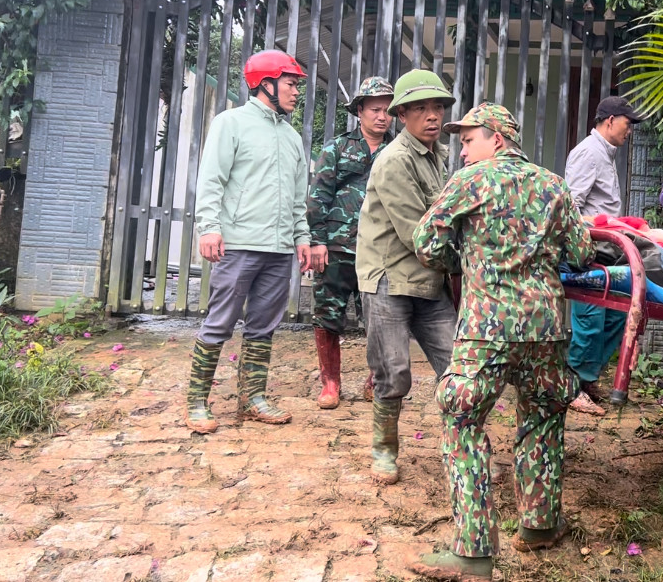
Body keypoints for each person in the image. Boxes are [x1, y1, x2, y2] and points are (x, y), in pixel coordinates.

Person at [408, 102, 594, 582]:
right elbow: (581, 253)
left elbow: (426, 243)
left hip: (486, 329)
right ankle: (539, 526)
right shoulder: (553, 185)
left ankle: (473, 554)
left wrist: (466, 259)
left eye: (468, 140)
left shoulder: (470, 181)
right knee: (543, 416)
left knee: (462, 419)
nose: (462, 150)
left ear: (497, 138)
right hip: (545, 327)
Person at [184, 49, 311, 434]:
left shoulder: (292, 138)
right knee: (220, 321)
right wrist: (209, 227)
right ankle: (196, 401)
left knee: (263, 326)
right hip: (238, 244)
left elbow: (297, 198)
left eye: (297, 86)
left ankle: (253, 398)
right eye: (290, 84)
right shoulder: (231, 123)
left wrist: (302, 237)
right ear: (265, 83)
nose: (296, 92)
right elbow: (212, 179)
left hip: (279, 250)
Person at [355, 69, 458, 485]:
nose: (432, 116)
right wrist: (474, 263)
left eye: (437, 107)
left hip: (430, 279)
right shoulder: (394, 161)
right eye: (420, 109)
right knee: (394, 372)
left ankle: (460, 448)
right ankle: (384, 450)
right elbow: (420, 234)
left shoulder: (439, 156)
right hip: (390, 279)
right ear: (401, 115)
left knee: (458, 366)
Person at [307, 76, 394, 409]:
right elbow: (319, 196)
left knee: (380, 318)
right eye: (375, 110)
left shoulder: (398, 151)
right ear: (360, 111)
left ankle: (376, 380)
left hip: (380, 250)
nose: (382, 117)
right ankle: (330, 383)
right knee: (327, 314)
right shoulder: (337, 148)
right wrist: (317, 241)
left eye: (387, 111)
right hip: (337, 247)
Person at [562, 95, 645, 415]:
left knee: (618, 314)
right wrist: (602, 229)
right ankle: (572, 387)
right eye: (627, 123)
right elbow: (570, 208)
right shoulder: (588, 152)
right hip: (588, 251)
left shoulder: (605, 153)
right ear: (610, 121)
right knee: (590, 321)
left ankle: (585, 378)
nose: (630, 131)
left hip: (608, 252)